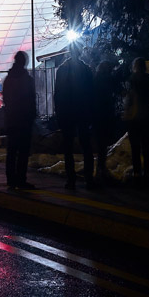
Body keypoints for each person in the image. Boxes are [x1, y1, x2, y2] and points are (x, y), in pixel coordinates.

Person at [54, 46, 94, 190]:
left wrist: (59, 114)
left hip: (67, 113)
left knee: (68, 148)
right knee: (86, 146)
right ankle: (89, 178)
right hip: (82, 112)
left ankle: (71, 179)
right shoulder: (86, 70)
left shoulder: (62, 70)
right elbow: (91, 93)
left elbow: (58, 94)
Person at [2, 50, 37, 190]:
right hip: (24, 120)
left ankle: (11, 180)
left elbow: (6, 99)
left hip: (12, 120)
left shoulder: (8, 79)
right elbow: (31, 100)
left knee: (11, 151)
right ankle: (21, 179)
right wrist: (32, 116)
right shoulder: (27, 79)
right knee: (23, 152)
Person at [124, 57, 149, 186]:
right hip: (146, 117)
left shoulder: (131, 80)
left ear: (134, 66)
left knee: (135, 147)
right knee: (146, 146)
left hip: (134, 118)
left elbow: (128, 100)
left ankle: (137, 173)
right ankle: (148, 172)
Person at [92, 60, 115, 185]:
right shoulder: (108, 82)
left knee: (99, 145)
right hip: (105, 116)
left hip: (97, 117)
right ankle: (101, 169)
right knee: (103, 146)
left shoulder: (95, 81)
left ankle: (99, 170)